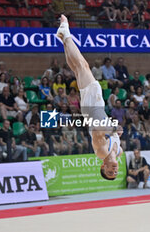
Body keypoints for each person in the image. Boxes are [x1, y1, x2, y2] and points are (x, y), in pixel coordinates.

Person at [57, 15, 123, 180]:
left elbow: (97, 130)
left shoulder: (101, 152)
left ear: (103, 166)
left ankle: (65, 32)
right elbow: (112, 131)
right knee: (78, 69)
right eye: (115, 172)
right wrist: (116, 132)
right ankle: (63, 39)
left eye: (109, 171)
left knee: (82, 66)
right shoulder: (119, 152)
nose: (113, 170)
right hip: (97, 107)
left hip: (92, 109)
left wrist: (113, 129)